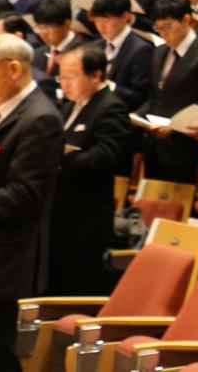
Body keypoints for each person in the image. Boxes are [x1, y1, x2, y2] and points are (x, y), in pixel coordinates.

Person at [0, 33, 65, 372]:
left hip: (6, 251)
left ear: (13, 69)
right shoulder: (8, 108)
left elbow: (24, 195)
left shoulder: (40, 118)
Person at [48, 43, 131, 295]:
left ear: (95, 75)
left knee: (77, 292)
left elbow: (104, 158)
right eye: (61, 77)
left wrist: (57, 160)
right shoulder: (68, 106)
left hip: (84, 222)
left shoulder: (111, 107)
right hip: (57, 218)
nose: (65, 83)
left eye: (71, 76)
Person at [142, 0, 198, 183]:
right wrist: (137, 118)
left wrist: (173, 127)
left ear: (187, 20)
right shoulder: (159, 51)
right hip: (155, 145)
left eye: (168, 27)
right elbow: (156, 97)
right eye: (159, 28)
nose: (163, 34)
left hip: (184, 149)